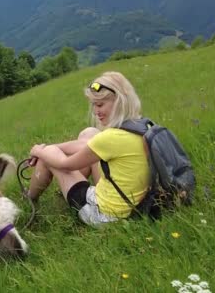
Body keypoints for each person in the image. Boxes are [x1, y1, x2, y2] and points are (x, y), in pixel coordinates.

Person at [27, 71, 150, 226]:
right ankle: (67, 186)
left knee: (50, 155)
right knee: (90, 133)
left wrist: (40, 151)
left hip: (104, 215)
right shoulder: (140, 126)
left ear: (120, 101)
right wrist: (48, 148)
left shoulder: (110, 138)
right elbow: (90, 145)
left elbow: (65, 164)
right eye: (93, 105)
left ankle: (30, 198)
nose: (96, 111)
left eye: (100, 105)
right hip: (132, 204)